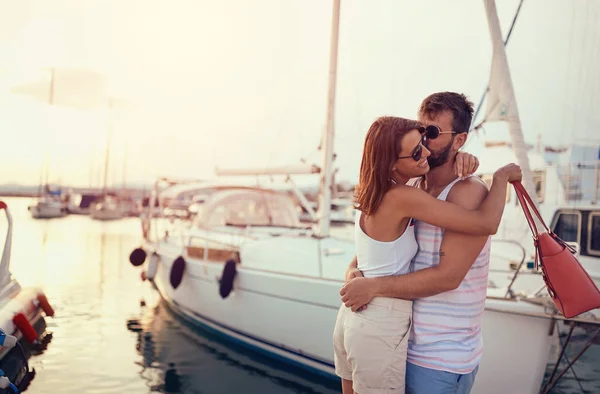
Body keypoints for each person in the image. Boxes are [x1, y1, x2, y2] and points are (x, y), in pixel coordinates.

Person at [334, 94, 522, 394]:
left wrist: (499, 177)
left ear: (459, 140)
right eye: (419, 131)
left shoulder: (466, 191)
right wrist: (353, 274)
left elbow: (450, 276)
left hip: (437, 357)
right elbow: (367, 254)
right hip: (397, 341)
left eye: (431, 133)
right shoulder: (408, 187)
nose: (423, 143)